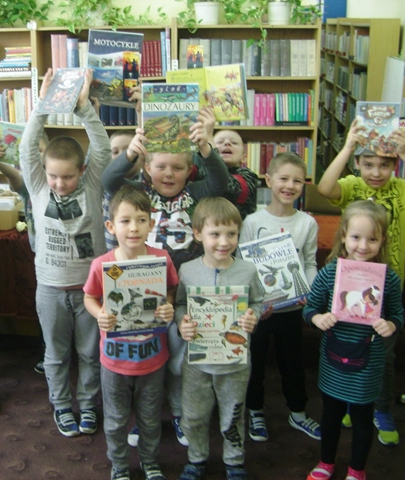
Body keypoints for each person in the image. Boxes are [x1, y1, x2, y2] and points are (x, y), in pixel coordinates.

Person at [102, 106, 229, 447]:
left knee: (178, 361)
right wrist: (130, 151)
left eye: (178, 168)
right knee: (146, 357)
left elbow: (221, 183)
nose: (169, 174)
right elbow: (107, 181)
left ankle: (179, 413)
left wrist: (206, 147)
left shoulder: (198, 193)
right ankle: (143, 419)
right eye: (160, 167)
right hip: (142, 289)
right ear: (146, 169)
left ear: (190, 171)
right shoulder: (142, 194)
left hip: (184, 290)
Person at [317, 121, 405, 445]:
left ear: (394, 165)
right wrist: (349, 146)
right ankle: (354, 401)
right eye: (368, 164)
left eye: (384, 164)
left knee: (384, 355)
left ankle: (380, 407)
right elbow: (325, 188)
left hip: (387, 289)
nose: (376, 172)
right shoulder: (352, 185)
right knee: (348, 348)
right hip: (347, 289)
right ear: (358, 165)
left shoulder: (404, 190)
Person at [18, 68, 111, 437]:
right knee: (56, 355)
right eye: (54, 176)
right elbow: (27, 148)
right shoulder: (40, 186)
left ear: (82, 171)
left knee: (90, 354)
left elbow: (101, 147)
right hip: (51, 289)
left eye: (67, 176)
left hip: (89, 288)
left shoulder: (91, 185)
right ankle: (62, 407)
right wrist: (42, 105)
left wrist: (84, 108)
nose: (59, 183)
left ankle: (87, 406)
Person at [303, 200, 403, 480]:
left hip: (368, 362)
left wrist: (391, 324)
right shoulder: (330, 272)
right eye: (356, 237)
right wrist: (316, 319)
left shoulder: (389, 280)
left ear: (382, 240)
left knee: (361, 419)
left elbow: (398, 314)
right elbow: (311, 307)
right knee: (331, 415)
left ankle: (357, 470)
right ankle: (326, 463)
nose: (363, 245)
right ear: (344, 235)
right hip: (333, 359)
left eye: (372, 239)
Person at [84, 185, 178, 480]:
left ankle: (150, 462)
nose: (133, 228)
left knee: (150, 418)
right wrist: (100, 314)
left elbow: (171, 290)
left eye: (141, 219)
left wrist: (168, 307)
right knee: (115, 419)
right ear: (111, 226)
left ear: (152, 224)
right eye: (125, 221)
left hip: (152, 358)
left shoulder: (161, 259)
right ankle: (120, 465)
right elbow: (89, 297)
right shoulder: (102, 265)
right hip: (114, 360)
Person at [175, 197, 263, 480]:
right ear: (198, 234)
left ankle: (234, 462)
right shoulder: (187, 270)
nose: (224, 242)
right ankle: (197, 459)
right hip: (197, 362)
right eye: (215, 234)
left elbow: (258, 303)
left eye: (231, 234)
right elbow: (179, 305)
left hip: (235, 364)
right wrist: (181, 323)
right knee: (194, 416)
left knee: (233, 416)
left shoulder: (248, 270)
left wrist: (254, 316)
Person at [239, 152, 321, 442]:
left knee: (293, 363)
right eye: (283, 178)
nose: (290, 185)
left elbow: (309, 262)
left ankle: (298, 413)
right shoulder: (252, 220)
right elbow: (243, 264)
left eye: (297, 180)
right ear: (269, 180)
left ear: (304, 185)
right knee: (255, 362)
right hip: (259, 309)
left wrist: (308, 292)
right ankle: (256, 411)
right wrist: (252, 302)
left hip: (291, 307)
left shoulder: (307, 223)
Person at [0, 132, 49, 374]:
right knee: (45, 307)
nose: (35, 154)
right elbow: (14, 179)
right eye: (30, 150)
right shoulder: (30, 184)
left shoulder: (60, 180)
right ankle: (48, 350)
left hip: (69, 257)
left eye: (40, 149)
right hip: (41, 255)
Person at [104, 129, 144, 251]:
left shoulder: (143, 183)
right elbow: (110, 178)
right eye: (115, 152)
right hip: (114, 257)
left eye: (128, 150)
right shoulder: (111, 184)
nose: (122, 155)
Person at [211, 129, 260, 220]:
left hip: (239, 231)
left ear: (244, 158)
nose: (227, 143)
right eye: (220, 142)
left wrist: (211, 154)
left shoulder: (248, 176)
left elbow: (228, 187)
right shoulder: (205, 173)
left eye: (234, 142)